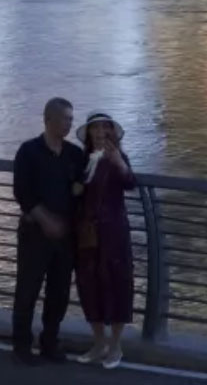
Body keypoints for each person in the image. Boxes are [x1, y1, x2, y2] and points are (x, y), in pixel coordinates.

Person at [11, 96, 87, 365]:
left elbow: (86, 186)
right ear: (49, 119)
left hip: (66, 236)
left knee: (59, 291)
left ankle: (50, 341)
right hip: (35, 233)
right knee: (28, 289)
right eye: (65, 118)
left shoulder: (75, 155)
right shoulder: (28, 152)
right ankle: (21, 343)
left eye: (71, 118)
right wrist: (46, 220)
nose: (69, 123)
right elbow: (22, 192)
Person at [72, 113, 136, 369]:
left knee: (118, 282)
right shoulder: (81, 160)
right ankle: (98, 343)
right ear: (88, 134)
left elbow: (131, 183)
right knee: (89, 284)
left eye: (104, 128)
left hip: (114, 233)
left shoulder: (116, 159)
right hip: (87, 234)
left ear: (111, 132)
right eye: (95, 128)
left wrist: (120, 163)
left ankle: (116, 345)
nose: (99, 133)